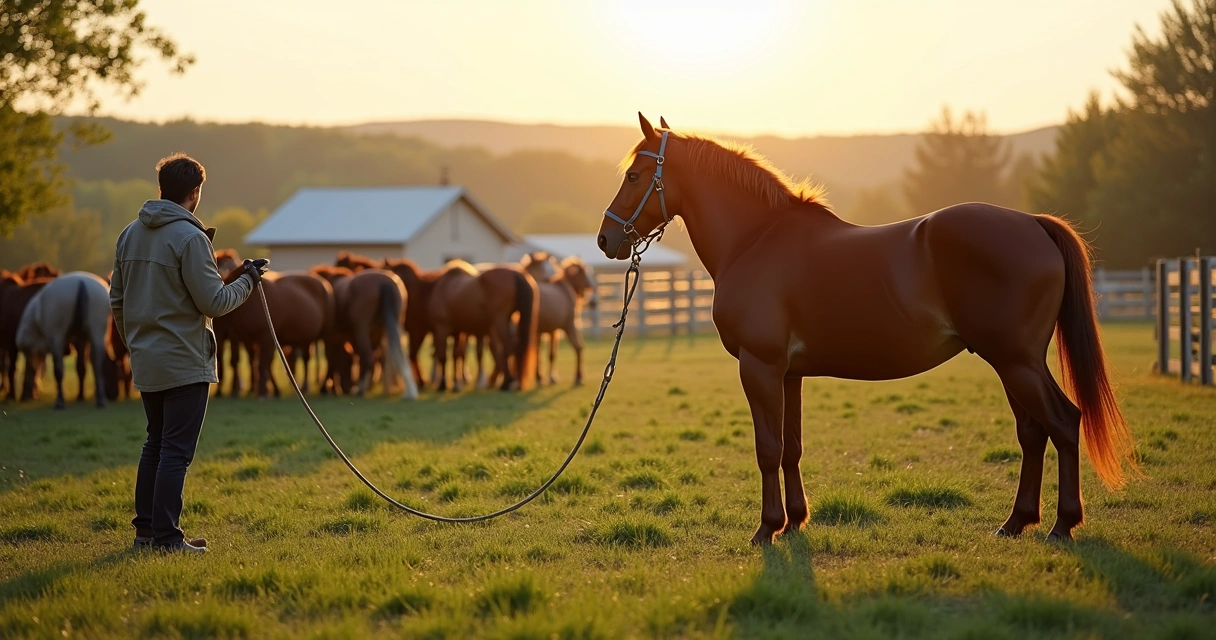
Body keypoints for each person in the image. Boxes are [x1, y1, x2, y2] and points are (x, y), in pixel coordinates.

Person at [109, 153, 269, 554]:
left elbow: (117, 299)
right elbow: (214, 302)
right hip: (183, 362)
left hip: (146, 357)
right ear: (195, 192)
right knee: (175, 452)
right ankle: (166, 539)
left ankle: (146, 534)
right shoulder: (190, 238)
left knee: (155, 445)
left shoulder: (129, 233)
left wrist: (136, 343)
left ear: (161, 186)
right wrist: (248, 279)